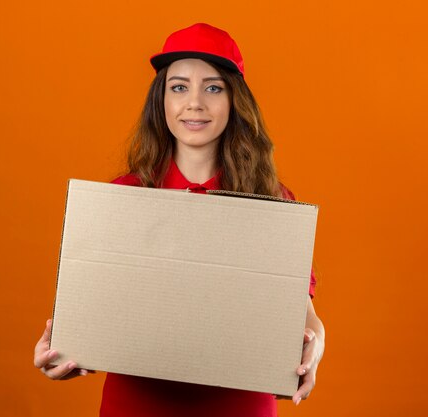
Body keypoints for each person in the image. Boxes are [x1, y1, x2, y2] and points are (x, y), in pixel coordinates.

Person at [34, 23, 325, 417]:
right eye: (179, 87)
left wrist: (315, 343)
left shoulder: (272, 201)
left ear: (234, 100)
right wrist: (63, 348)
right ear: (162, 100)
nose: (195, 103)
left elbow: (301, 313)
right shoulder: (124, 196)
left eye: (213, 87)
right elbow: (93, 306)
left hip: (239, 405)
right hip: (137, 405)